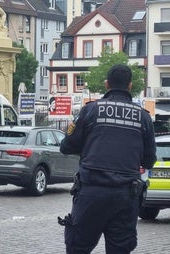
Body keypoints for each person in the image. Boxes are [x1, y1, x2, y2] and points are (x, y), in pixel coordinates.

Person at [58, 64, 157, 254]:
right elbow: (149, 161)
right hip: (126, 196)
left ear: (106, 84)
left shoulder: (90, 111)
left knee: (78, 247)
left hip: (91, 193)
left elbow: (66, 146)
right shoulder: (144, 118)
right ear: (130, 85)